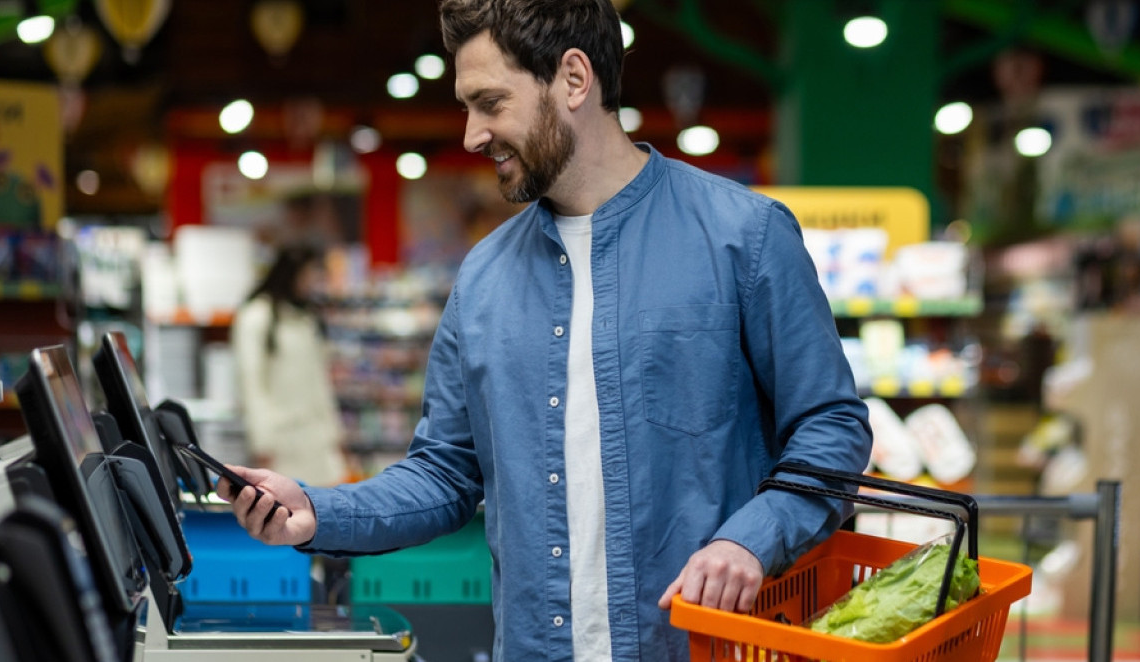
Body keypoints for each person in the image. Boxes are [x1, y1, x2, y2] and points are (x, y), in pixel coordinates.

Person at [218, 0, 872, 659]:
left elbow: (832, 427)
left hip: (701, 646)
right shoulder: (483, 279)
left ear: (573, 79)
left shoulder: (744, 237)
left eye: (490, 103)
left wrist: (749, 538)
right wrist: (317, 510)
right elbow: (446, 472)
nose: (473, 134)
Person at [230, 243, 347, 487]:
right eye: (307, 275)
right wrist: (262, 441)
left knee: (322, 511)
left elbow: (319, 381)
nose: (311, 283)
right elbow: (251, 383)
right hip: (281, 442)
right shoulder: (257, 316)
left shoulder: (306, 318)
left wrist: (334, 432)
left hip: (316, 439)